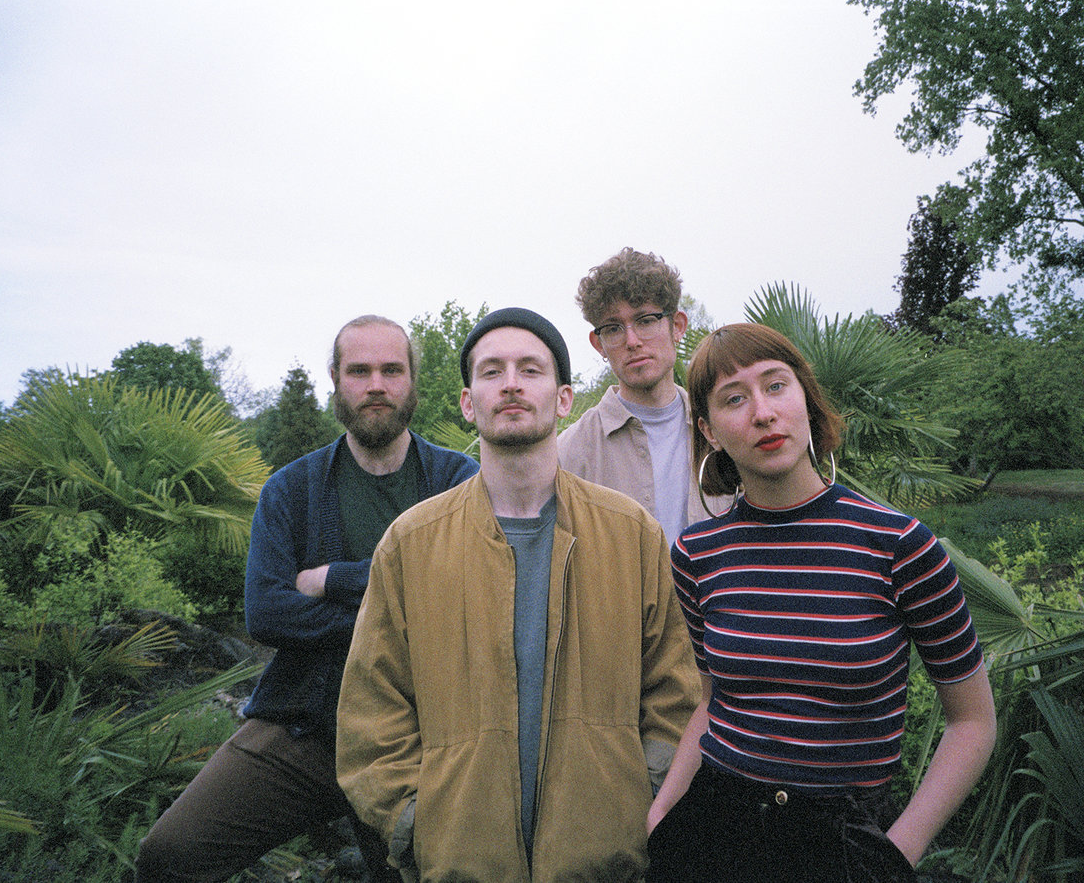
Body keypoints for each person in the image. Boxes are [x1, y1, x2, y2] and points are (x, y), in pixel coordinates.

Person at [336, 307, 699, 882]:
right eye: (491, 371)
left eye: (530, 369)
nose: (510, 383)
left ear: (563, 399)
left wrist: (638, 808)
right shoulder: (410, 543)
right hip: (460, 864)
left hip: (607, 865)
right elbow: (372, 712)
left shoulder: (630, 534)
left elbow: (674, 696)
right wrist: (415, 824)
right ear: (466, 402)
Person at [645, 323, 996, 883]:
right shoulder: (696, 553)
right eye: (734, 399)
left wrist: (897, 851)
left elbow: (973, 721)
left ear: (806, 400)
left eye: (776, 386)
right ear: (709, 431)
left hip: (847, 837)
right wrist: (664, 811)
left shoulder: (899, 545)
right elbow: (712, 700)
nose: (762, 412)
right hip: (713, 828)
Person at [135, 315, 478, 883]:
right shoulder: (292, 489)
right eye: (359, 370)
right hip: (304, 729)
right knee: (171, 856)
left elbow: (461, 603)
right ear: (337, 382)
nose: (376, 385)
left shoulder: (457, 481)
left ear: (413, 381)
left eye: (392, 370)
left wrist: (332, 579)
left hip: (421, 741)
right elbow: (266, 613)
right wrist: (400, 610)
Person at [558, 247, 724, 542]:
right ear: (599, 345)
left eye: (646, 320)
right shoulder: (570, 453)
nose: (632, 341)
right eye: (613, 328)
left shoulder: (723, 431)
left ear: (677, 326)